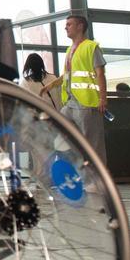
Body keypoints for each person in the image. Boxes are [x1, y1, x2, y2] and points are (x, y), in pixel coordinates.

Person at [42, 14, 108, 161]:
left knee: (92, 144)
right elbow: (68, 75)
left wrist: (103, 98)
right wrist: (51, 85)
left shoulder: (91, 47)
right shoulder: (69, 50)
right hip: (70, 103)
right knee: (61, 134)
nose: (66, 27)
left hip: (86, 104)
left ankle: (98, 179)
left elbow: (100, 74)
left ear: (80, 26)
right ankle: (75, 172)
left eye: (69, 24)